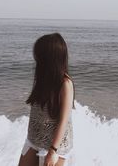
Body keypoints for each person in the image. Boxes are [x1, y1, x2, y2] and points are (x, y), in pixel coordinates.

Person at [18, 33, 75, 166]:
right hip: (34, 140)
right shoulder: (43, 78)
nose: (36, 58)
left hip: (54, 146)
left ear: (49, 58)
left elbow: (63, 120)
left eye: (39, 55)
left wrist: (53, 151)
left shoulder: (65, 84)